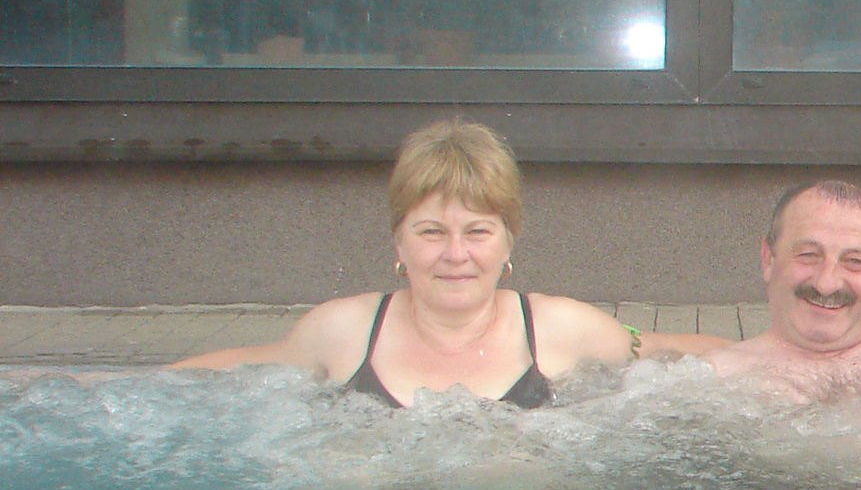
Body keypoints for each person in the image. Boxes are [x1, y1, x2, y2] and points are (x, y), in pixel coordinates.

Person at [171, 120, 640, 407]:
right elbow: (244, 366)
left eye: (477, 231)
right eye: (431, 232)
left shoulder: (561, 328)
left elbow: (659, 354)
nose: (455, 253)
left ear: (507, 243)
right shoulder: (344, 330)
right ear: (399, 243)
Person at [640, 180, 861, 398]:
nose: (826, 283)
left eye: (854, 261)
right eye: (808, 255)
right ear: (768, 259)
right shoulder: (716, 380)